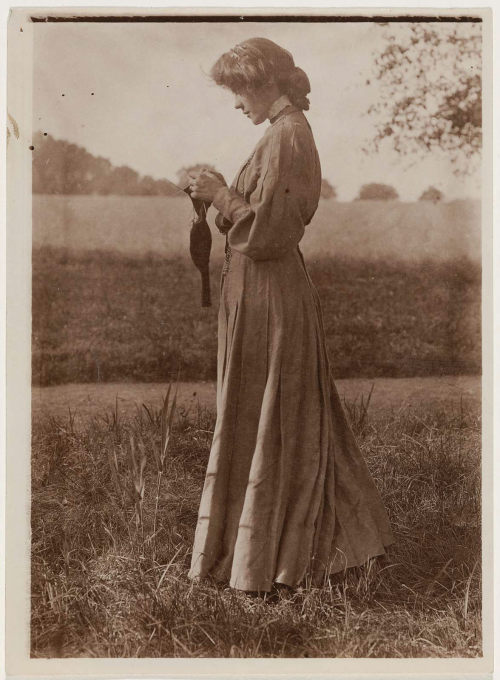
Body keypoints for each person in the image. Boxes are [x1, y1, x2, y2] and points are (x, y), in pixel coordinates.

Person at [187, 37, 394, 593]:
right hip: (259, 292)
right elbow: (253, 219)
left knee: (279, 416)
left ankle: (287, 556)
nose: (236, 104)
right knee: (274, 416)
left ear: (263, 82)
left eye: (238, 91)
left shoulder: (288, 136)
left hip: (271, 294)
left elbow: (271, 232)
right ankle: (297, 550)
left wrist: (221, 196)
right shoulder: (279, 136)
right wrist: (218, 196)